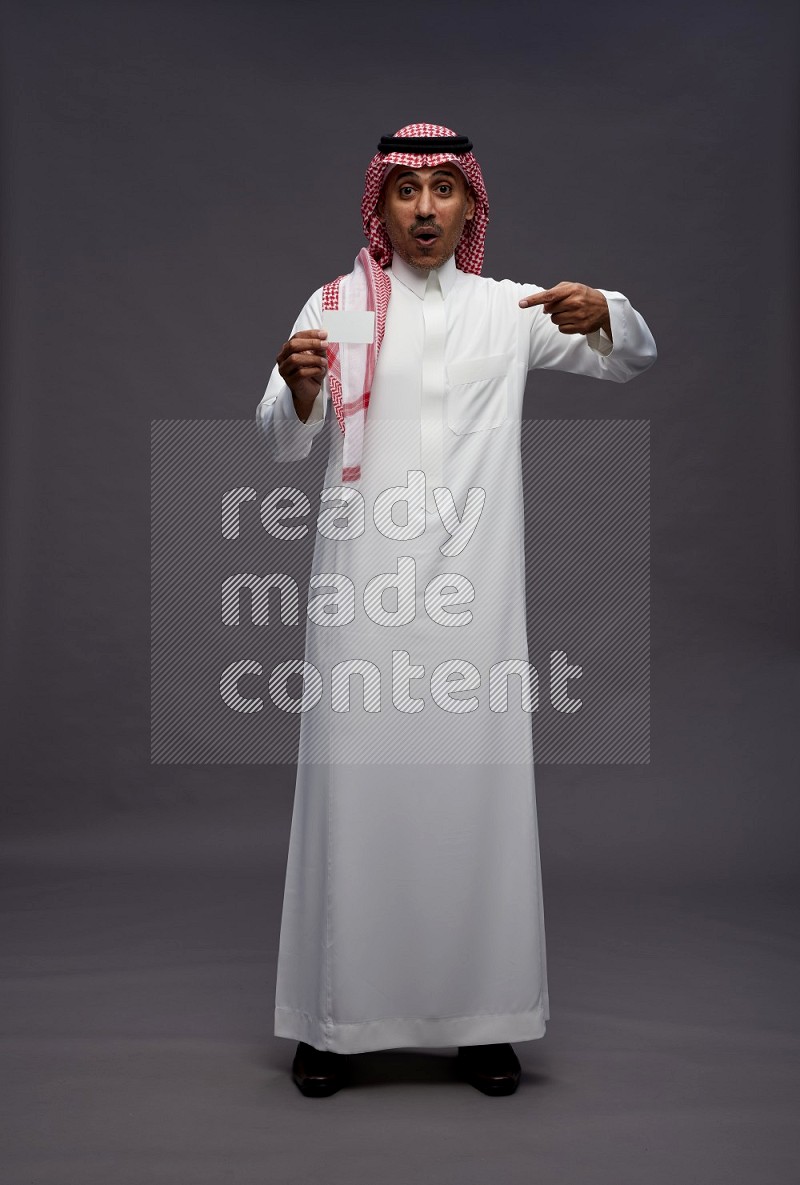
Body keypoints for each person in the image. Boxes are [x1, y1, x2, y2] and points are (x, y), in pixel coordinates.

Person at [255, 123, 657, 1097]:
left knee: (473, 804)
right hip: (363, 596)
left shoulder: (502, 309)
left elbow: (628, 357)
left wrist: (604, 309)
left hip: (475, 601)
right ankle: (333, 1022)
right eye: (408, 192)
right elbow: (279, 434)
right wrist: (299, 390)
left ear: (470, 206)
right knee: (357, 799)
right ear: (379, 206)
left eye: (444, 191)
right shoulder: (341, 307)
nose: (425, 209)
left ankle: (484, 1024)